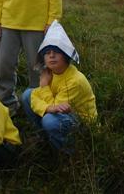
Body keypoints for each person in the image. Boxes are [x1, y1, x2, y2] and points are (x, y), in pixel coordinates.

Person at [21, 21, 97, 152]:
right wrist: (48, 107)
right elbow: (36, 98)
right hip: (58, 111)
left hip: (82, 122)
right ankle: (44, 137)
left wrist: (44, 87)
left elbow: (57, 109)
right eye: (47, 52)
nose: (51, 55)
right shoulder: (49, 72)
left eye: (56, 51)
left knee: (49, 120)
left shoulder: (74, 80)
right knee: (27, 95)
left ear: (66, 55)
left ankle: (68, 152)